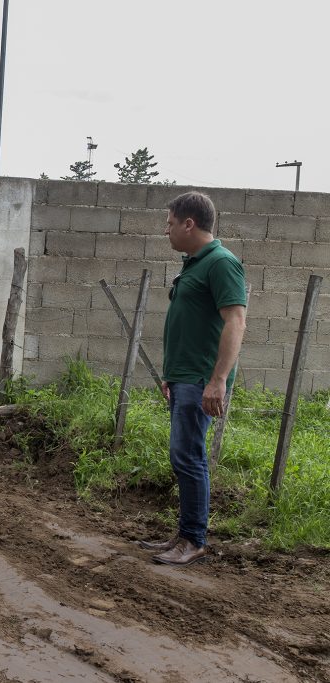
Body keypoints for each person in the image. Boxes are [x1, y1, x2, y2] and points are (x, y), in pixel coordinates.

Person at [139, 191, 247, 566]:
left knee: (189, 457)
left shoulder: (221, 263)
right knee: (183, 455)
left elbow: (235, 320)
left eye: (170, 223)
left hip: (201, 379)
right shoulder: (194, 263)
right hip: (184, 377)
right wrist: (172, 375)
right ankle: (183, 535)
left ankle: (194, 540)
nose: (166, 230)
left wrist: (217, 380)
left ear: (189, 223)